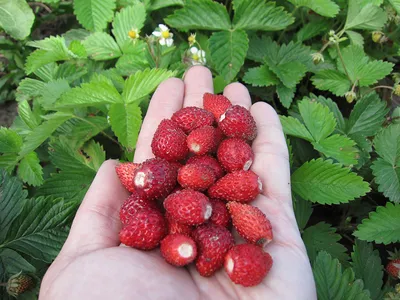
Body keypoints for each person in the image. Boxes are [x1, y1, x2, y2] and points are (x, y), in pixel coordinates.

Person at [39, 66, 317, 299]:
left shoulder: (207, 185)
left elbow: (208, 189)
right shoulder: (172, 197)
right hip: (188, 190)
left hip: (203, 186)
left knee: (197, 181)